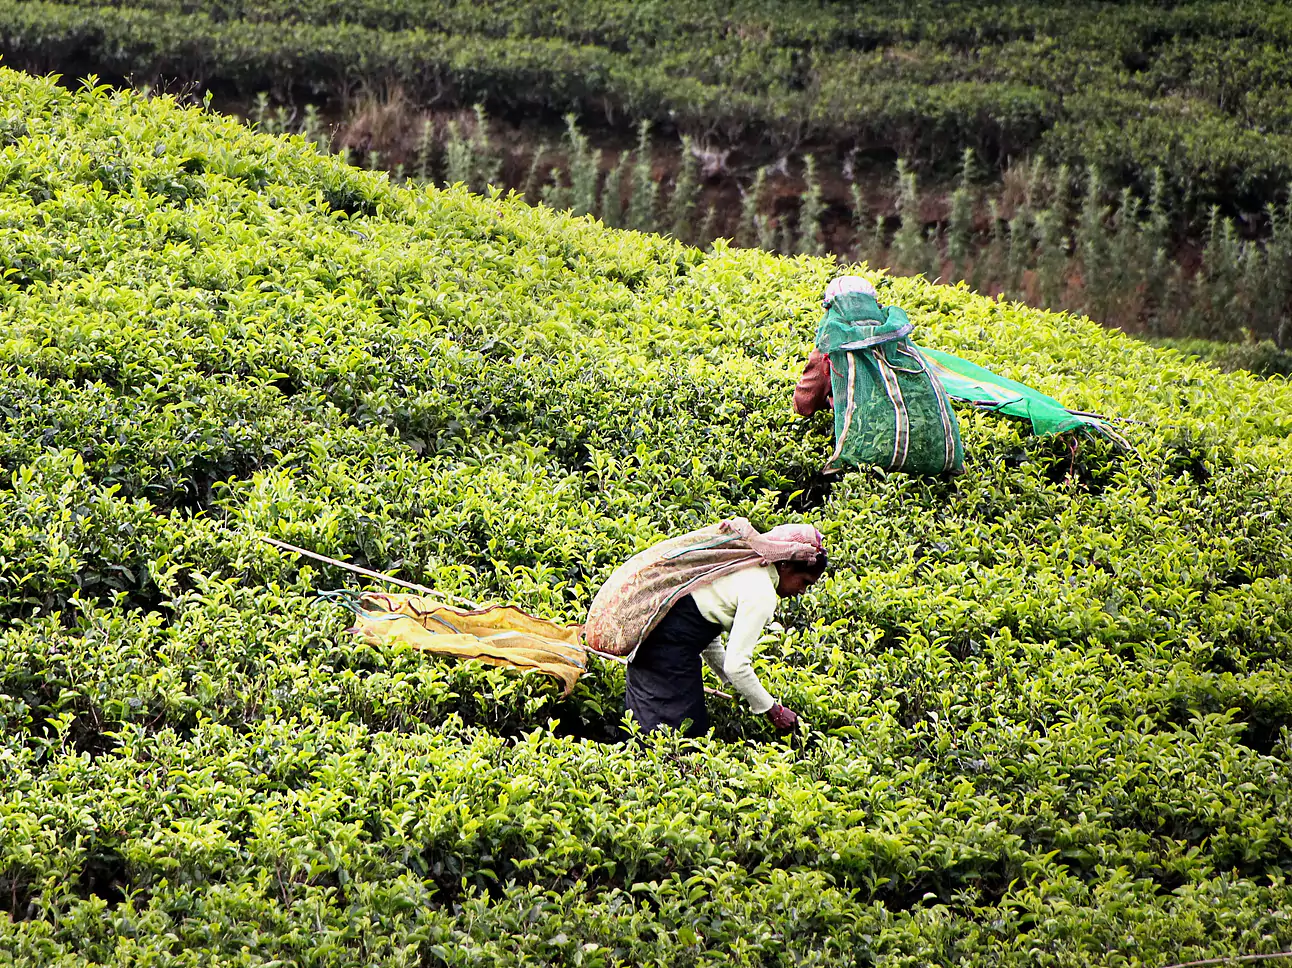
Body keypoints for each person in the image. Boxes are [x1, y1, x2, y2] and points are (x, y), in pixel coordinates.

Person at [583, 519, 827, 738]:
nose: (802, 591)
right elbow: (737, 665)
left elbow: (706, 637)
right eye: (804, 581)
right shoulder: (762, 592)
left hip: (653, 645)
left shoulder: (743, 568)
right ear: (785, 566)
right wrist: (773, 710)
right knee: (678, 737)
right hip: (667, 653)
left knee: (648, 730)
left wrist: (737, 688)